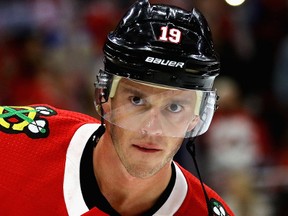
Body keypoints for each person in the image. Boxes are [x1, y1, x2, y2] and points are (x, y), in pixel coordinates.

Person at [0, 0, 234, 215]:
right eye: (137, 100)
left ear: (196, 116)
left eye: (174, 107)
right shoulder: (8, 144)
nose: (151, 130)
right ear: (104, 95)